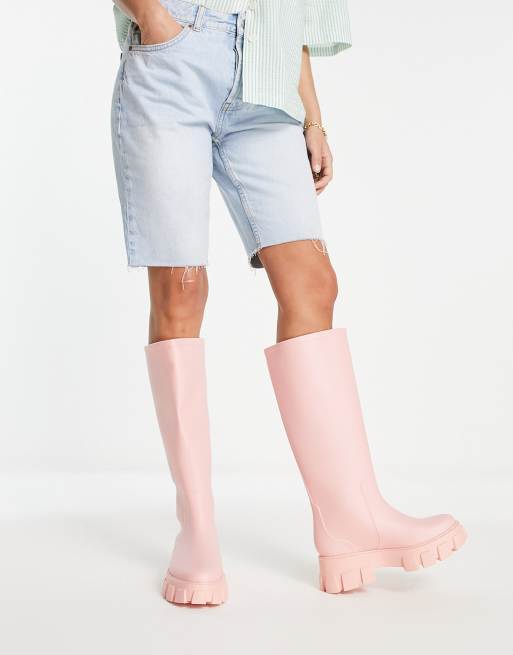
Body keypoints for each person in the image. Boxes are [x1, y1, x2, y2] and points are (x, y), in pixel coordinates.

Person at [110, 0, 466, 607]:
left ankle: (350, 521)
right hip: (173, 58)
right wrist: (155, 19)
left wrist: (313, 118)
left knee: (313, 281)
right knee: (181, 287)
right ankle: (197, 535)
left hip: (268, 77)